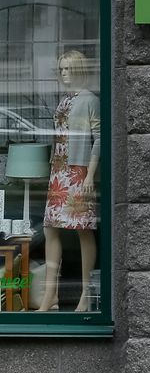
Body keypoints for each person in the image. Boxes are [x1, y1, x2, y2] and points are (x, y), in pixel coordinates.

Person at [37, 50, 100, 312]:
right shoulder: (64, 100)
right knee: (50, 228)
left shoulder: (90, 100)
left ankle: (85, 296)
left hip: (77, 171)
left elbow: (100, 138)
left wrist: (89, 174)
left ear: (78, 70)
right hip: (59, 170)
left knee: (82, 230)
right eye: (61, 69)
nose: (63, 73)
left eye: (67, 69)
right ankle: (50, 294)